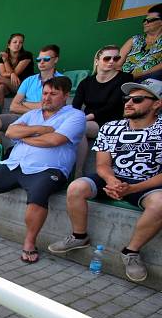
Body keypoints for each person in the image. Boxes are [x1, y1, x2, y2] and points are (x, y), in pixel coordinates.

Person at [0, 77, 85, 263]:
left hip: (48, 169)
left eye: (53, 94)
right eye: (45, 93)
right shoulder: (33, 115)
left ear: (65, 96)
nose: (47, 98)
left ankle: (30, 243)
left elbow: (54, 141)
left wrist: (26, 136)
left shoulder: (75, 116)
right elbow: (10, 132)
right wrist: (40, 129)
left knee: (38, 196)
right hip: (15, 164)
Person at [49, 79, 162, 281]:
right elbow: (102, 165)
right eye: (127, 98)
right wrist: (112, 181)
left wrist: (132, 188)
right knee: (76, 187)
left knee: (160, 204)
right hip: (113, 178)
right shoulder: (111, 127)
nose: (128, 103)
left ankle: (131, 252)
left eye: (137, 99)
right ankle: (79, 236)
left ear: (156, 103)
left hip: (147, 182)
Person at [72, 45, 134, 176]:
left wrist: (84, 118)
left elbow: (112, 106)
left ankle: (77, 173)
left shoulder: (125, 78)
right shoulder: (86, 82)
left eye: (116, 58)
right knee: (74, 126)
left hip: (112, 122)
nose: (112, 61)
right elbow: (75, 105)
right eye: (107, 58)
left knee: (79, 127)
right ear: (97, 61)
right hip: (89, 120)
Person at [0, 44, 63, 143]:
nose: (41, 62)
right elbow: (13, 107)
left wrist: (25, 103)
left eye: (46, 59)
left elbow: (55, 107)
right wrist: (38, 107)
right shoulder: (29, 80)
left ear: (56, 60)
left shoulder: (62, 81)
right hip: (22, 117)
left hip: (47, 120)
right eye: (39, 59)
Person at [119, 3, 162, 81]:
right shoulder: (134, 40)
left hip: (147, 81)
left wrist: (137, 75)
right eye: (144, 20)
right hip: (121, 80)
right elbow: (117, 62)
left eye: (150, 20)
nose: (145, 23)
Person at [0, 33, 34, 112]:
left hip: (24, 86)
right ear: (9, 45)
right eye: (15, 42)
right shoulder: (3, 57)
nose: (18, 44)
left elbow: (16, 73)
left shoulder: (27, 55)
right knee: (0, 87)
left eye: (20, 42)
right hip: (11, 85)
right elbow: (3, 73)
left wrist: (6, 61)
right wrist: (11, 73)